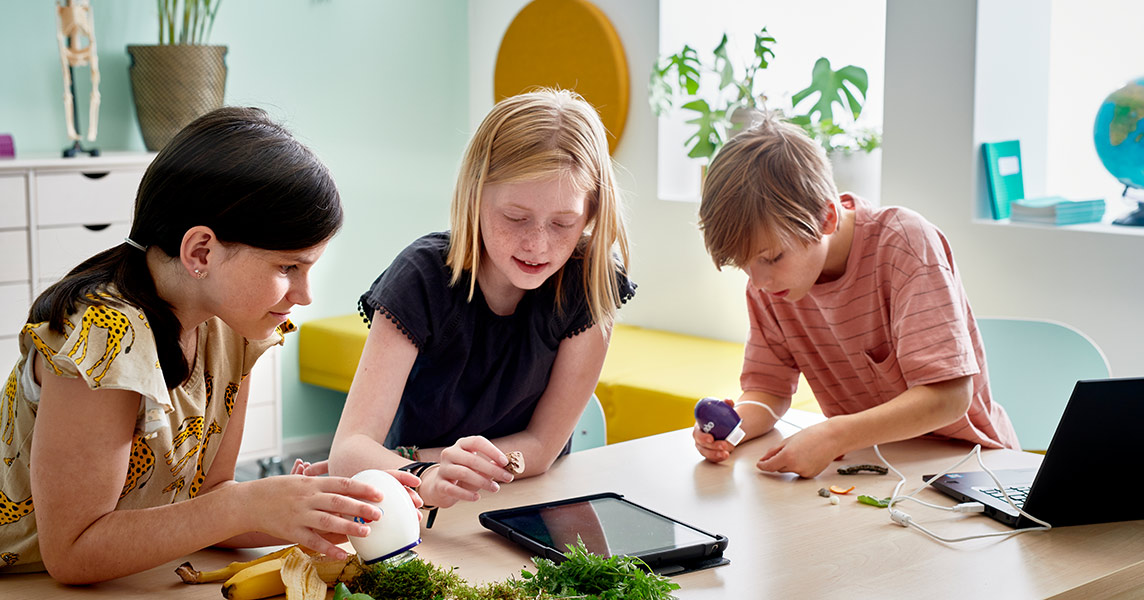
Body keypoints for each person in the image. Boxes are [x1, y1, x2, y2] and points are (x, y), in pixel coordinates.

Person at [0, 107, 420, 583]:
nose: (305, 296)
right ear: (201, 251)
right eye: (289, 269)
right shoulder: (104, 337)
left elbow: (208, 501)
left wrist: (302, 504)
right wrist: (244, 506)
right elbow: (73, 553)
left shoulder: (231, 328)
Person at [319, 89, 634, 515]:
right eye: (515, 217)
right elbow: (351, 448)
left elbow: (541, 448)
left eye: (563, 223)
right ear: (475, 196)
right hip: (417, 507)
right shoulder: (420, 278)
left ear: (592, 212)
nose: (537, 244)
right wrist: (426, 474)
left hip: (521, 501)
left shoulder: (591, 280)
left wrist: (416, 465)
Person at [692, 118, 1018, 478]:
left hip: (974, 469)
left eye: (771, 258)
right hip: (872, 472)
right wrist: (734, 427)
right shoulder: (771, 285)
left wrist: (835, 435)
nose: (758, 280)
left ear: (826, 218)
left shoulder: (904, 243)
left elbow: (950, 397)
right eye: (744, 264)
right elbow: (766, 388)